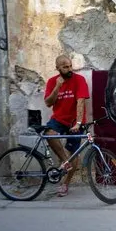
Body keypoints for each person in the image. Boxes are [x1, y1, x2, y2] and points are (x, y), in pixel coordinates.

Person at [44, 55, 90, 197]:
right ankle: (65, 162)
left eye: (70, 66)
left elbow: (80, 101)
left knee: (74, 153)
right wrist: (58, 86)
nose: (69, 69)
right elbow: (48, 103)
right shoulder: (52, 82)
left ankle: (65, 184)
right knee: (49, 134)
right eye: (65, 67)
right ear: (58, 68)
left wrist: (78, 123)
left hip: (74, 121)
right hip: (58, 119)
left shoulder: (79, 80)